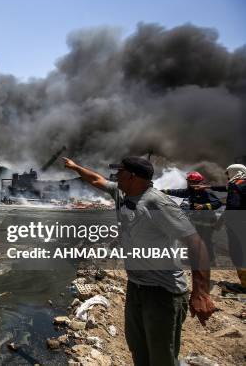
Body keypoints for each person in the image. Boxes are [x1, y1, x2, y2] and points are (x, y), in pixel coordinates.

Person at [63, 156, 215, 366]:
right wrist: (75, 167)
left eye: (120, 172)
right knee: (138, 350)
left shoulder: (157, 203)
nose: (115, 176)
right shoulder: (123, 194)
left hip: (163, 292)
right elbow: (96, 180)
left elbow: (196, 244)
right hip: (136, 287)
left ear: (132, 176)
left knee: (162, 357)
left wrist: (201, 292)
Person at [161, 171, 222, 265]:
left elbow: (217, 203)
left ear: (196, 182)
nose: (188, 183)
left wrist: (204, 206)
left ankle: (211, 261)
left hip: (207, 221)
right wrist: (162, 191)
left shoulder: (205, 191)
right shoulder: (191, 190)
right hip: (197, 221)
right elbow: (178, 192)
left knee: (206, 241)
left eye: (190, 181)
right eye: (188, 181)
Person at [211, 164, 246, 288]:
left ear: (234, 172)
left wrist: (220, 221)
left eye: (227, 173)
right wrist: (208, 187)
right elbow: (225, 188)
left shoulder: (234, 185)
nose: (227, 176)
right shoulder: (243, 182)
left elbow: (233, 207)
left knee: (238, 253)